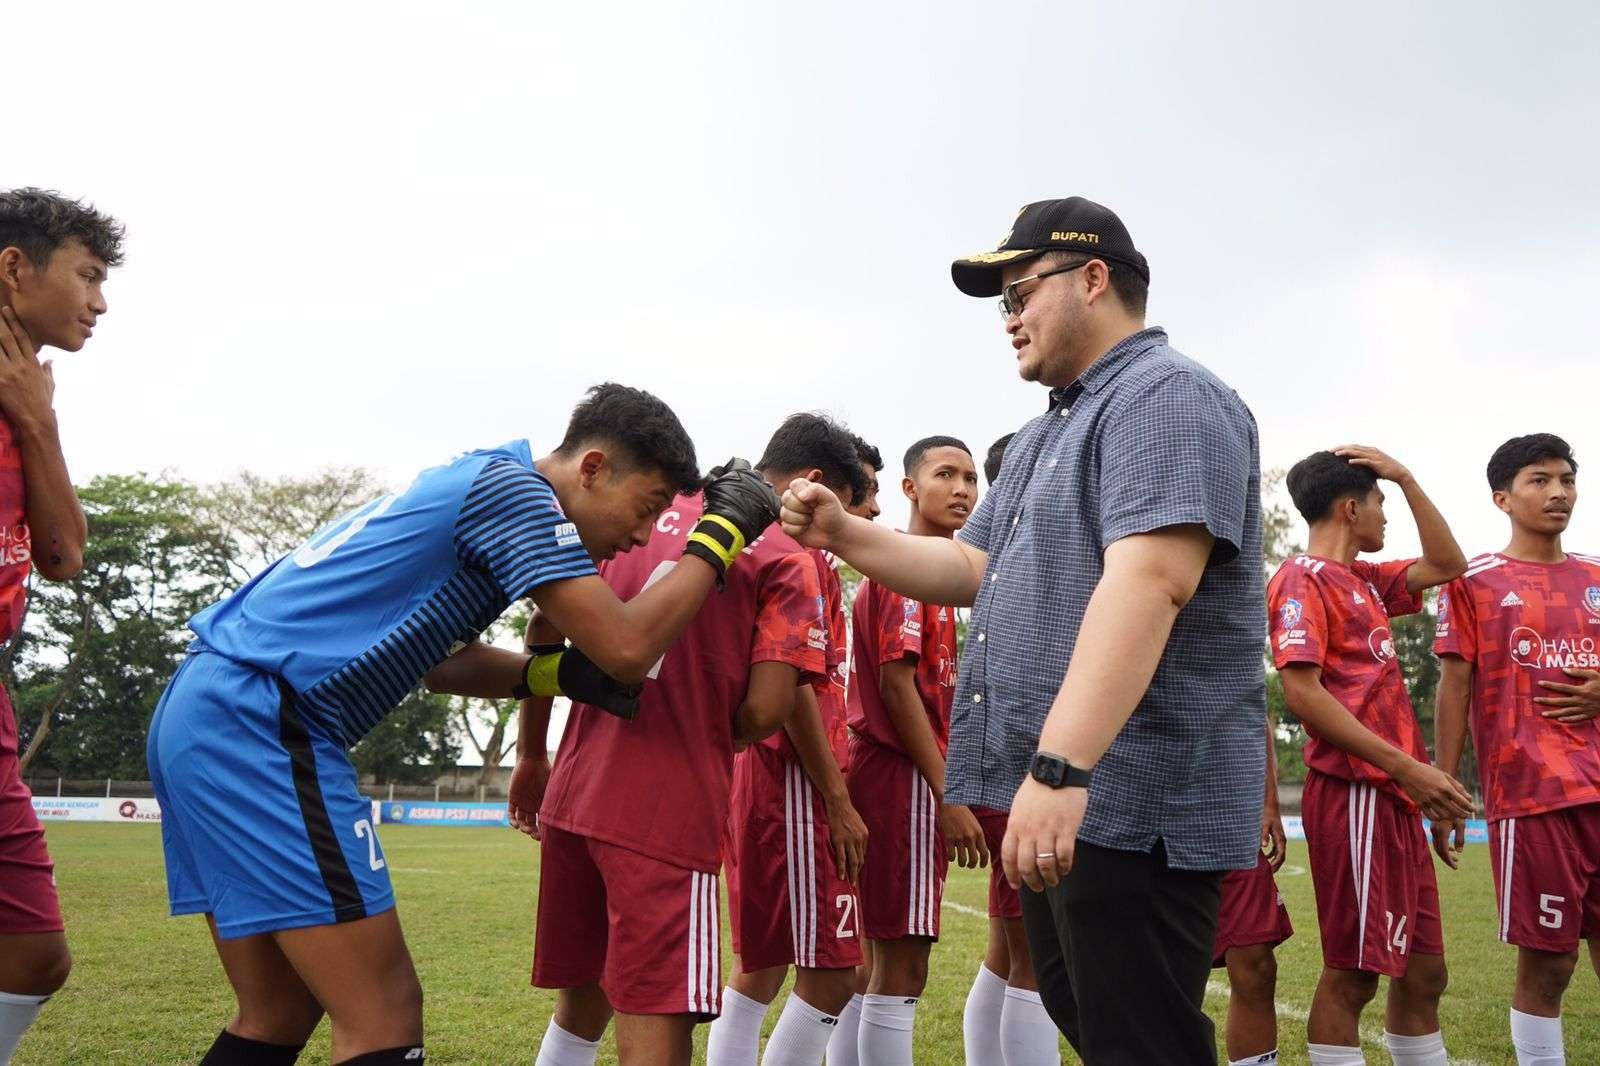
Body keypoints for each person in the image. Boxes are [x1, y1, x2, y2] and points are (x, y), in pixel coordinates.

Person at [148, 384, 779, 1066]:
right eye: (648, 508)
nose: (637, 534)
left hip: (206, 708)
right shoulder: (519, 497)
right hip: (262, 720)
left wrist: (560, 676)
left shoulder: (478, 476)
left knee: (279, 1010)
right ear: (592, 469)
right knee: (385, 1014)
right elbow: (628, 649)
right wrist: (720, 536)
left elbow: (443, 667)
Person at [784, 196, 1268, 1063]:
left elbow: (1152, 580)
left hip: (1129, 796)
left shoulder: (1168, 397)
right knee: (1098, 1027)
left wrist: (1059, 766)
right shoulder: (1056, 427)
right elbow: (971, 569)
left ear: (1092, 279)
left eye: (1020, 293)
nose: (1008, 320)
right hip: (1069, 797)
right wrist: (846, 533)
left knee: (1143, 1042)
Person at [524, 413, 861, 1066]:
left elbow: (544, 624)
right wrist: (704, 726)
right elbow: (768, 709)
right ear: (813, 487)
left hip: (574, 790)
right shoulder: (788, 554)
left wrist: (534, 754)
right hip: (667, 810)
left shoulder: (640, 508)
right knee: (658, 1019)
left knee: (580, 1008)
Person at [1268, 447, 1471, 1066]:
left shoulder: (1368, 583)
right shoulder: (1300, 577)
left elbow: (1448, 563)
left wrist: (1405, 476)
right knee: (1354, 976)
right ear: (1352, 509)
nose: (1387, 517)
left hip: (1397, 797)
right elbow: (1302, 692)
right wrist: (1409, 768)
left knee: (1425, 972)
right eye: (1382, 503)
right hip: (1357, 792)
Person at [0, 188, 121, 1066]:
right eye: (87, 275)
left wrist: (38, 423)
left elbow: (64, 555)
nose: (100, 302)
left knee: (34, 954)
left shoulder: (29, 395)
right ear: (14, 266)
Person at [1432, 433, 1600, 1066]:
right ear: (1502, 497)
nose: (1558, 492)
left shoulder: (1596, 577)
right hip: (1534, 798)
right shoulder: (1473, 581)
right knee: (1549, 965)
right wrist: (1445, 788)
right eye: (1539, 480)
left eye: (1567, 479)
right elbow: (1454, 685)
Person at [705, 431, 872, 1066]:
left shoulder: (729, 540)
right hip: (794, 778)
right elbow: (796, 684)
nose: (867, 516)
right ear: (812, 481)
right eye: (858, 498)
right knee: (832, 975)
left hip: (756, 771)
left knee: (761, 968)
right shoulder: (798, 556)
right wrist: (836, 798)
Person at [831, 435, 979, 1065]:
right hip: (902, 775)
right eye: (945, 474)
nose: (963, 490)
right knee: (903, 962)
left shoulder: (929, 570)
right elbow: (897, 687)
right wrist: (945, 791)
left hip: (891, 772)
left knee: (873, 961)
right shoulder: (908, 569)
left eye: (971, 478)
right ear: (910, 489)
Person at [962, 427, 1057, 1066]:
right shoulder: (1022, 560)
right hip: (1024, 775)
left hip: (1013, 773)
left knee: (1010, 947)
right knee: (1034, 954)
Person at [1212, 715, 1294, 1066]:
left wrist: (1268, 801)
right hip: (1146, 815)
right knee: (1162, 974)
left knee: (1257, 966)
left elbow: (1253, 710)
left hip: (1227, 816)